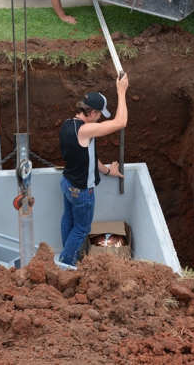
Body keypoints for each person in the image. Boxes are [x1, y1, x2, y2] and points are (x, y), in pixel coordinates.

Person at [58, 73, 129, 266]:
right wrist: (121, 91)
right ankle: (65, 263)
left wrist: (107, 171)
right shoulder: (85, 130)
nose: (99, 119)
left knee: (68, 220)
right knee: (82, 228)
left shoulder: (68, 125)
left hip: (67, 182)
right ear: (91, 113)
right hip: (82, 190)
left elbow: (89, 156)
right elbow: (120, 122)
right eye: (99, 115)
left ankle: (69, 257)